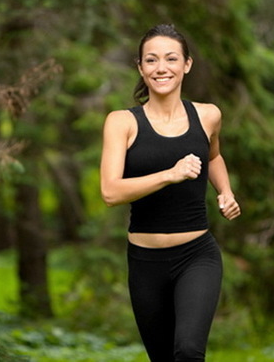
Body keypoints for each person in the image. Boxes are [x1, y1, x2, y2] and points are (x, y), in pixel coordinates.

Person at [100, 23, 241, 362]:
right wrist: (170, 174)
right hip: (145, 261)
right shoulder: (122, 122)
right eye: (151, 60)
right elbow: (110, 192)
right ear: (140, 67)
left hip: (197, 255)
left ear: (186, 65)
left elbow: (214, 156)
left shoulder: (207, 116)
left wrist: (225, 190)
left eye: (171, 59)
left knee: (189, 352)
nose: (161, 68)